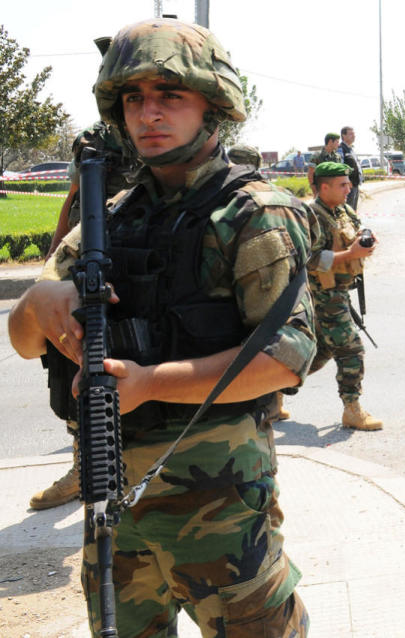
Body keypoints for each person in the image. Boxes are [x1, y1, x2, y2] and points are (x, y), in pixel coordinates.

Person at [8, 18, 314, 635]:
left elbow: (285, 359)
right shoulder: (110, 218)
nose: (148, 113)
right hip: (114, 502)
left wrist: (149, 382)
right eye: (133, 99)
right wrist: (38, 304)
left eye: (169, 96)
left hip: (220, 507)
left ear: (213, 105)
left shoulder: (253, 213)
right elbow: (22, 341)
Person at [30, 119, 136, 511]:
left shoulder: (156, 130)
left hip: (134, 255)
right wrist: (57, 248)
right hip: (83, 255)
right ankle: (81, 467)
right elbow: (75, 194)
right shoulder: (93, 139)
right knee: (73, 360)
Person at [307, 162, 383, 430]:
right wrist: (350, 255)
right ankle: (352, 410)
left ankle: (272, 391)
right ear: (324, 187)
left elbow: (356, 234)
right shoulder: (311, 216)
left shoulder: (343, 210)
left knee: (320, 350)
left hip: (341, 290)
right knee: (351, 349)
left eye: (349, 183)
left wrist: (367, 240)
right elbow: (309, 260)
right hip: (324, 294)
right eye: (343, 184)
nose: (349, 188)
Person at [308, 132, 342, 197]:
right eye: (337, 142)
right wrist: (315, 192)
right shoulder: (317, 156)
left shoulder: (337, 157)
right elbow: (311, 174)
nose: (339, 144)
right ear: (330, 142)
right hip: (322, 191)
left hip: (335, 190)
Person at [338, 126, 363, 210]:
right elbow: (341, 166)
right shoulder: (341, 149)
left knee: (353, 210)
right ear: (343, 136)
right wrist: (347, 182)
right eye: (351, 134)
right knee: (348, 210)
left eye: (354, 134)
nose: (353, 136)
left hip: (355, 185)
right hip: (348, 186)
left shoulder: (351, 149)